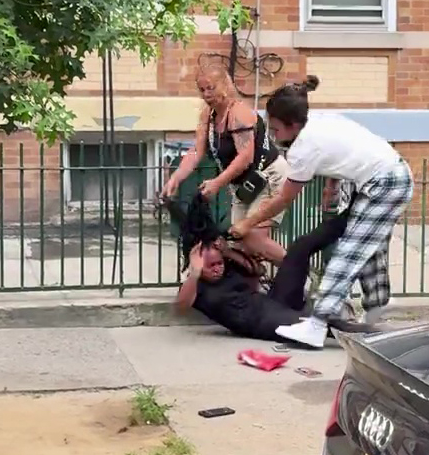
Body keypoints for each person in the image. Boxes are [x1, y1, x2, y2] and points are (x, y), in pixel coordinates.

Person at [230, 76, 414, 349]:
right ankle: (378, 312)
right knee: (369, 248)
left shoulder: (303, 148)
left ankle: (316, 326)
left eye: (276, 129)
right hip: (385, 176)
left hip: (385, 183)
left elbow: (283, 199)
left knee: (348, 252)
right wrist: (332, 185)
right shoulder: (317, 120)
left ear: (293, 125)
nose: (273, 135)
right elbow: (341, 153)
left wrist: (247, 223)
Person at [172, 193, 369, 341]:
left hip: (274, 302)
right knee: (322, 322)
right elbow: (180, 307)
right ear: (198, 265)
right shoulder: (196, 287)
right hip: (261, 322)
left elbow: (258, 271)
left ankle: (352, 214)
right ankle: (371, 333)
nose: (218, 268)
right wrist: (195, 273)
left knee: (300, 248)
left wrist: (229, 253)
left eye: (219, 263)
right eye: (211, 266)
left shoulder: (227, 266)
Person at [160, 57, 289, 266]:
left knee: (253, 238)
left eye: (211, 88)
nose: (206, 94)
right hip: (245, 186)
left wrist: (217, 183)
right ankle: (255, 284)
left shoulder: (238, 113)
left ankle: (299, 272)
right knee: (238, 244)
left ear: (226, 85)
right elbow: (196, 151)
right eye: (202, 90)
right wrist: (176, 177)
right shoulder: (208, 115)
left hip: (268, 176)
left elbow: (245, 157)